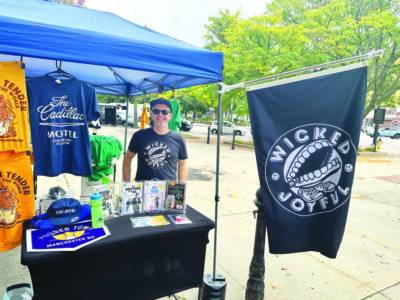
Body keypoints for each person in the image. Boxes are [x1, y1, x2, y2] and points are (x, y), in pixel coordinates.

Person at [122, 98, 187, 183]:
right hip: (143, 191)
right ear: (151, 114)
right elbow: (127, 159)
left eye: (165, 112)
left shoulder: (179, 139)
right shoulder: (139, 135)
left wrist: (180, 189)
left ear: (170, 116)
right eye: (156, 111)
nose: (160, 115)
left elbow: (182, 165)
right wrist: (127, 185)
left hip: (168, 191)